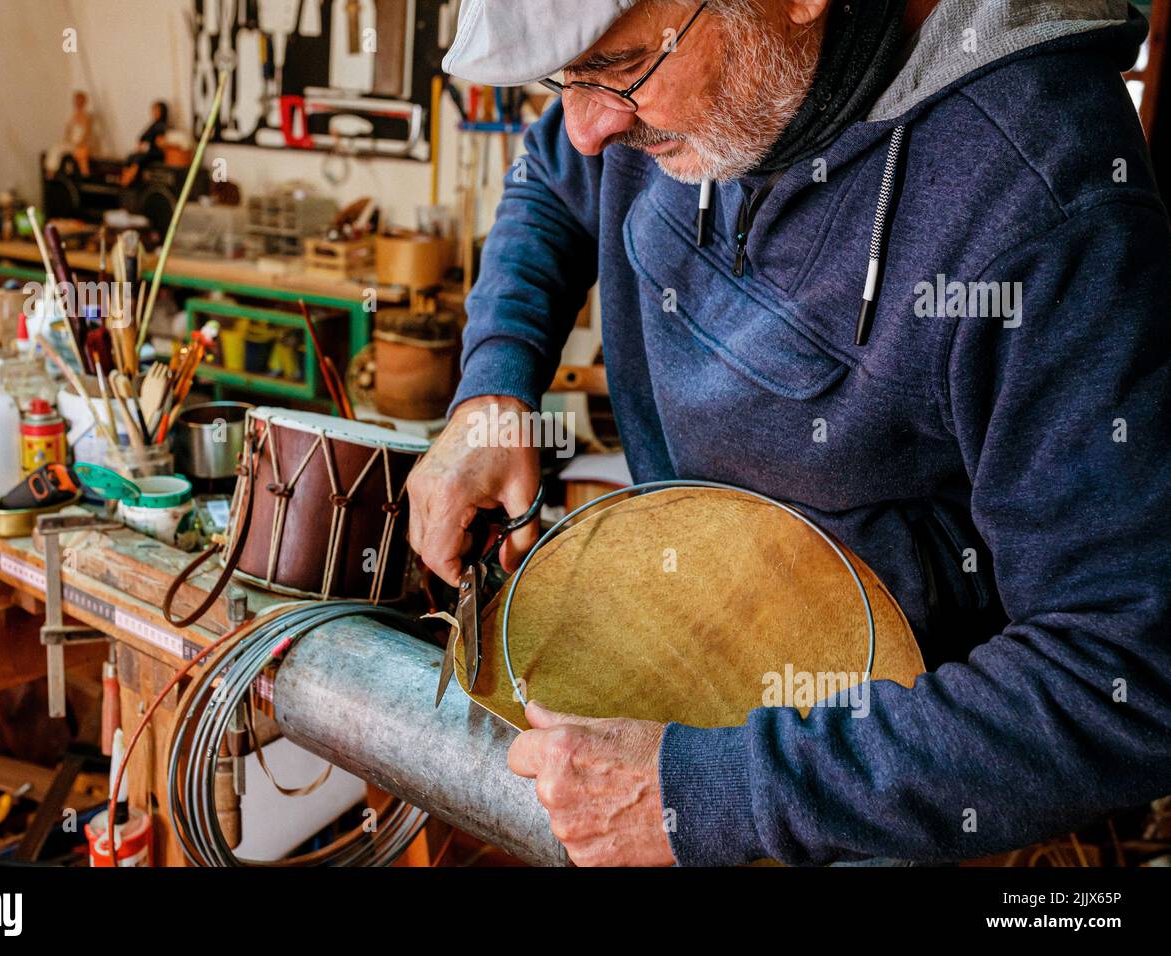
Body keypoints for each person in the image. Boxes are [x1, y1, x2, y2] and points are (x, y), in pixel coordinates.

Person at [407, 0, 1171, 866]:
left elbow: (1126, 671)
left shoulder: (1045, 199)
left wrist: (708, 794)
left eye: (618, 69)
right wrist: (492, 391)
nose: (584, 127)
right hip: (687, 652)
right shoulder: (660, 99)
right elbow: (552, 176)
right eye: (565, 77)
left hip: (884, 795)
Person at [44, 90, 95, 177]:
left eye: (80, 101)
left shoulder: (86, 117)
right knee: (55, 148)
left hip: (79, 144)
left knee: (57, 149)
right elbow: (68, 131)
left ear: (84, 102)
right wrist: (67, 138)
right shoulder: (73, 116)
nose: (78, 103)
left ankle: (52, 172)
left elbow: (87, 133)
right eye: (76, 101)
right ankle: (50, 171)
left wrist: (80, 143)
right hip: (71, 143)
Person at [120, 100, 170, 187]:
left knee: (140, 158)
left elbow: (161, 143)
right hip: (149, 150)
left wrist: (156, 143)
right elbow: (142, 138)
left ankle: (129, 178)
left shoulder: (162, 125)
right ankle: (125, 177)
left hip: (157, 153)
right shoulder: (153, 124)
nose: (154, 112)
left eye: (156, 110)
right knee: (131, 156)